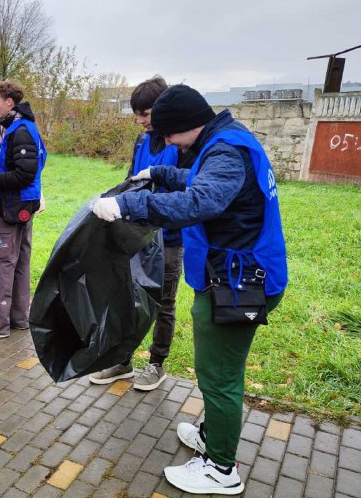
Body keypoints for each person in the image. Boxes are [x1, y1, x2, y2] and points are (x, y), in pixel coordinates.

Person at [92, 85, 287, 495]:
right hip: (232, 276)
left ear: (186, 127)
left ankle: (220, 468)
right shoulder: (224, 142)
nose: (164, 143)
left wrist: (129, 207)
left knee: (219, 378)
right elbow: (200, 180)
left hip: (239, 284)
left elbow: (201, 200)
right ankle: (213, 437)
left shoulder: (226, 151)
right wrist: (158, 173)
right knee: (216, 372)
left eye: (167, 135)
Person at [89, 76, 192, 391]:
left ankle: (156, 364)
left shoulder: (183, 145)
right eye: (137, 114)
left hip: (171, 238)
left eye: (145, 114)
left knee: (163, 302)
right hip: (138, 235)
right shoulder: (140, 142)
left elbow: (192, 189)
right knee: (129, 297)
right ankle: (123, 361)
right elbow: (131, 181)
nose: (140, 121)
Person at [0, 80, 46, 338]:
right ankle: (17, 318)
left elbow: (24, 173)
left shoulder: (20, 130)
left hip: (10, 208)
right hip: (23, 207)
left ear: (9, 102)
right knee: (19, 263)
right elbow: (30, 167)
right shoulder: (19, 127)